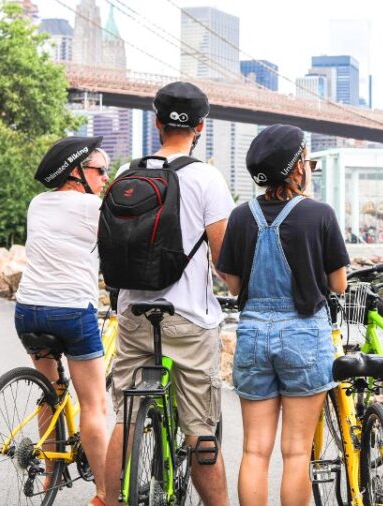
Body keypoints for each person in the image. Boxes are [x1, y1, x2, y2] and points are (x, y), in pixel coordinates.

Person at [103, 82, 234, 506]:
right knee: (201, 429)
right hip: (188, 319)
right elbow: (223, 258)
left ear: (157, 123)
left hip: (133, 313)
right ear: (200, 127)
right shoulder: (207, 177)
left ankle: (109, 499)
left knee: (124, 415)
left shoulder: (126, 174)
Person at [217, 124, 349, 506]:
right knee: (295, 452)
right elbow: (338, 285)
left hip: (254, 335)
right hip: (304, 336)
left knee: (255, 452)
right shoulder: (319, 214)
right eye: (307, 160)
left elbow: (234, 286)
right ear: (297, 168)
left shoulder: (241, 216)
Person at [17, 136, 111, 506]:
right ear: (77, 173)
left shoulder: (37, 203)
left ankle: (49, 476)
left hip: (28, 311)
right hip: (72, 311)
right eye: (100, 170)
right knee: (95, 404)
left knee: (49, 391)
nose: (105, 178)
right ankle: (104, 494)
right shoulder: (95, 207)